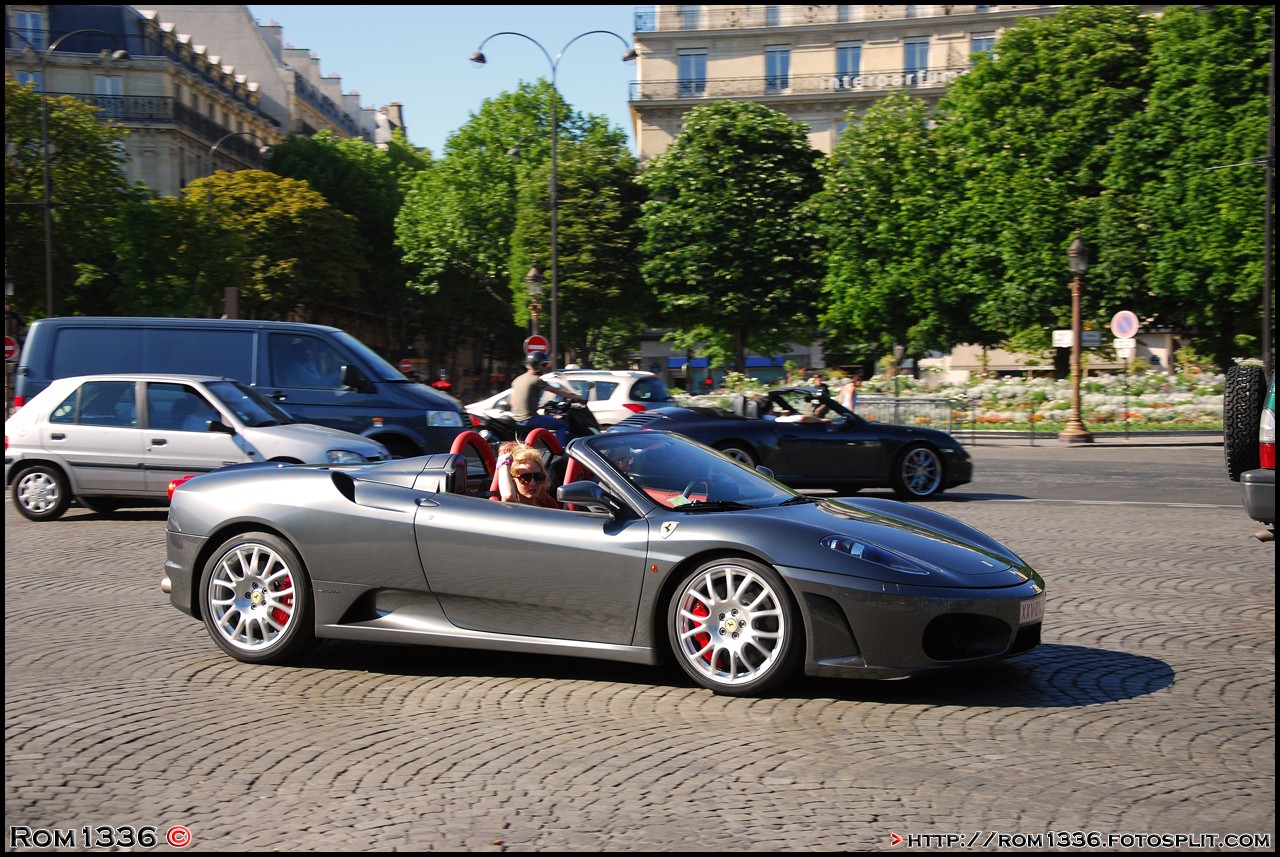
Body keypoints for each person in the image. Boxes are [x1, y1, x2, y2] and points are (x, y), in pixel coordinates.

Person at [509, 353, 584, 446]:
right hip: (530, 419)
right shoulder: (536, 380)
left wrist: (536, 406)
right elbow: (556, 391)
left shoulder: (517, 380)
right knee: (561, 425)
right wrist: (576, 397)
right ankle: (561, 451)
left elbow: (512, 402)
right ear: (536, 366)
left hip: (516, 420)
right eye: (544, 365)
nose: (546, 368)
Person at [494, 442, 560, 508]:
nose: (533, 483)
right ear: (513, 481)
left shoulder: (550, 508)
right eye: (525, 478)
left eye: (538, 477)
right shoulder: (508, 508)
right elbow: (508, 497)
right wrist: (503, 463)